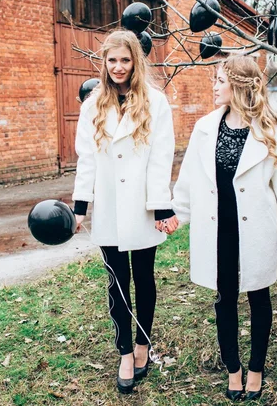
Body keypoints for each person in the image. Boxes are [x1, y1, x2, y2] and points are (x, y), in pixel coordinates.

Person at [172, 55, 277, 401]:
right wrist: (176, 215)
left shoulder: (269, 132)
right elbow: (188, 179)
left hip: (256, 228)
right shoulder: (205, 128)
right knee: (224, 299)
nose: (214, 87)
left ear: (238, 85)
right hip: (216, 228)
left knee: (259, 296)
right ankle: (233, 369)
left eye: (220, 80)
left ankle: (256, 368)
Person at [72, 29, 178, 394]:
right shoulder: (92, 104)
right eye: (112, 60)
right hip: (109, 209)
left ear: (136, 61)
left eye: (125, 60)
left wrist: (162, 206)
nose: (118, 67)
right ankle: (123, 352)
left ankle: (142, 345)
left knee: (144, 278)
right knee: (117, 283)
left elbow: (161, 158)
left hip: (142, 205)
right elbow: (86, 159)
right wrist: (79, 207)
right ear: (104, 62)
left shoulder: (155, 102)